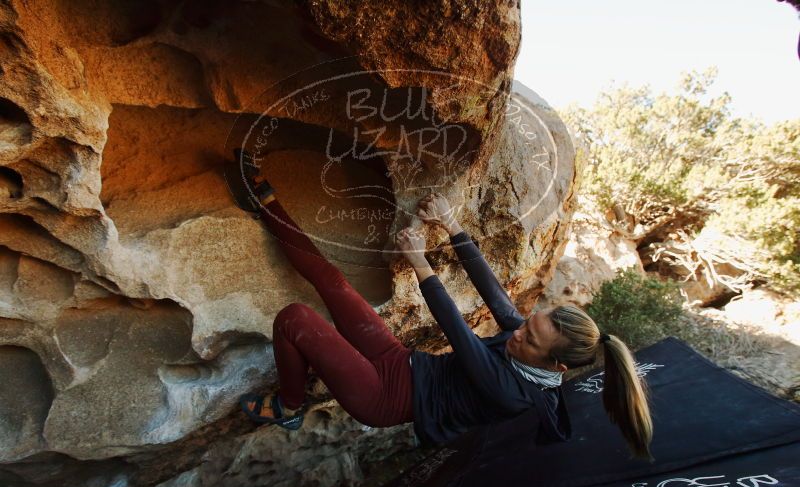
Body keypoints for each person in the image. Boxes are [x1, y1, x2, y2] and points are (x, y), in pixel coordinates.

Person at [225, 149, 653, 460]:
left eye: (529, 337)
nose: (518, 330)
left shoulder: (515, 394)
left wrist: (419, 262)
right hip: (402, 363)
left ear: (555, 366)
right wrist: (451, 225)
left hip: (385, 399)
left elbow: (459, 334)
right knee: (334, 282)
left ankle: (290, 406)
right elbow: (495, 292)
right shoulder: (528, 344)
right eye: (529, 323)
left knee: (295, 319)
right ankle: (266, 202)